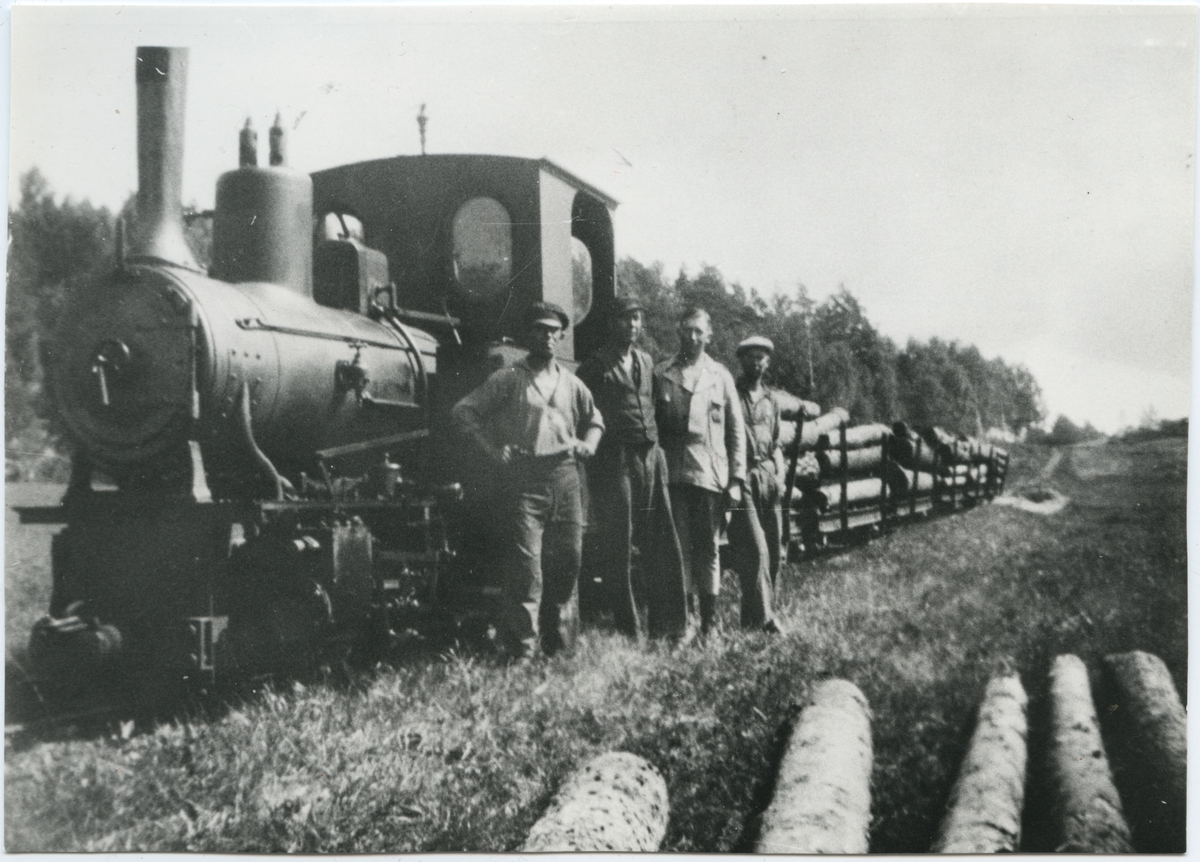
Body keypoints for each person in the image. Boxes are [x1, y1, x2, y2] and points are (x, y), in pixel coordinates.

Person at [451, 301, 604, 661]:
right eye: (540, 330)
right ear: (528, 335)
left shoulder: (572, 383)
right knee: (526, 570)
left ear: (561, 336)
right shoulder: (509, 378)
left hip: (566, 479)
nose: (547, 337)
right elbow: (463, 412)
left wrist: (589, 444)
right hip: (525, 482)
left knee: (568, 561)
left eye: (553, 331)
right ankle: (521, 650)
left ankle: (560, 648)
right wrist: (492, 450)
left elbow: (596, 420)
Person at [655, 307, 778, 636]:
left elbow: (736, 433)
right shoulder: (662, 373)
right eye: (687, 330)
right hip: (673, 474)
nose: (692, 337)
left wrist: (736, 480)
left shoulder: (720, 376)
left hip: (710, 474)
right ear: (678, 332)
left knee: (708, 549)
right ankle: (685, 623)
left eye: (699, 331)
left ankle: (709, 626)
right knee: (680, 549)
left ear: (708, 335)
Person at [576, 296, 688, 641]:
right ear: (612, 324)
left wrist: (657, 451)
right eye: (626, 319)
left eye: (637, 319)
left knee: (662, 540)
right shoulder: (595, 367)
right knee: (618, 546)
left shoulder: (646, 361)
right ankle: (629, 629)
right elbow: (582, 415)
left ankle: (669, 627)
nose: (633, 325)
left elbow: (654, 405)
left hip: (650, 457)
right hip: (615, 461)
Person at [729, 336, 792, 635]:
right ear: (742, 361)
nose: (756, 363)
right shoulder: (731, 394)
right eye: (751, 357)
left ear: (768, 363)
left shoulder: (771, 400)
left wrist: (780, 476)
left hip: (769, 476)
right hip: (743, 475)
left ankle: (753, 618)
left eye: (761, 358)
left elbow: (777, 443)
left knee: (775, 551)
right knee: (756, 550)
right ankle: (766, 620)